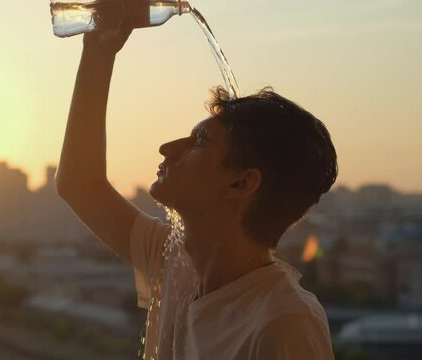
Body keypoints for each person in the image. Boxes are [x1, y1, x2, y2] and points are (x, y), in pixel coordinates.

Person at [55, 18, 337, 360]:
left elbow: (79, 185)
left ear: (241, 182)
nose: (167, 147)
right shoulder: (175, 263)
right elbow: (79, 183)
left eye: (199, 141)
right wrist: (98, 50)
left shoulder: (285, 323)